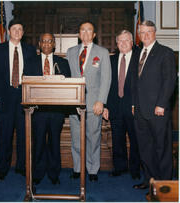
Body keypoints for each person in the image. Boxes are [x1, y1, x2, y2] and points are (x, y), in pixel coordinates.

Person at [0, 19, 37, 181]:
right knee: (4, 135)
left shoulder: (30, 50)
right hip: (4, 98)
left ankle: (22, 167)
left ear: (23, 33)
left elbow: (35, 76)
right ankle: (3, 168)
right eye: (14, 29)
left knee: (24, 135)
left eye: (20, 29)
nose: (17, 32)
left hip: (24, 98)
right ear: (9, 31)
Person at [132, 20, 176, 189]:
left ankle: (165, 184)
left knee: (162, 148)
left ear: (155, 32)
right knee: (145, 148)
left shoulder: (165, 53)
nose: (145, 35)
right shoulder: (137, 54)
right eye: (142, 32)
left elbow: (170, 81)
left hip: (158, 110)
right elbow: (135, 83)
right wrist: (134, 105)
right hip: (140, 110)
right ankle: (150, 180)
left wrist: (161, 104)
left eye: (148, 32)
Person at [66, 21, 111, 182]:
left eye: (89, 31)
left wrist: (101, 101)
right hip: (74, 104)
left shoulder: (102, 52)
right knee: (76, 139)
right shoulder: (70, 52)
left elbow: (106, 79)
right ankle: (78, 168)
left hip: (94, 104)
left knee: (93, 138)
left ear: (94, 35)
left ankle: (93, 170)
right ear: (79, 34)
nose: (85, 34)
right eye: (82, 30)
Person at [25, 33, 71, 185]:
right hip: (37, 111)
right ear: (39, 44)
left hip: (56, 112)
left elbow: (68, 86)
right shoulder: (30, 62)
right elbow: (26, 84)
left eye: (49, 41)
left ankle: (54, 174)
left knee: (54, 143)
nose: (46, 44)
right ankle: (37, 174)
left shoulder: (62, 63)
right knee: (37, 143)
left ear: (54, 44)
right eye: (43, 41)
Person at [103, 30, 140, 179]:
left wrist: (137, 104)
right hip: (115, 106)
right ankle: (120, 167)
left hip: (133, 106)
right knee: (117, 139)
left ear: (132, 42)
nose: (123, 43)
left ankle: (135, 169)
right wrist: (105, 105)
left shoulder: (140, 59)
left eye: (126, 40)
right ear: (116, 44)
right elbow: (106, 84)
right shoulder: (111, 60)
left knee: (135, 139)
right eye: (120, 41)